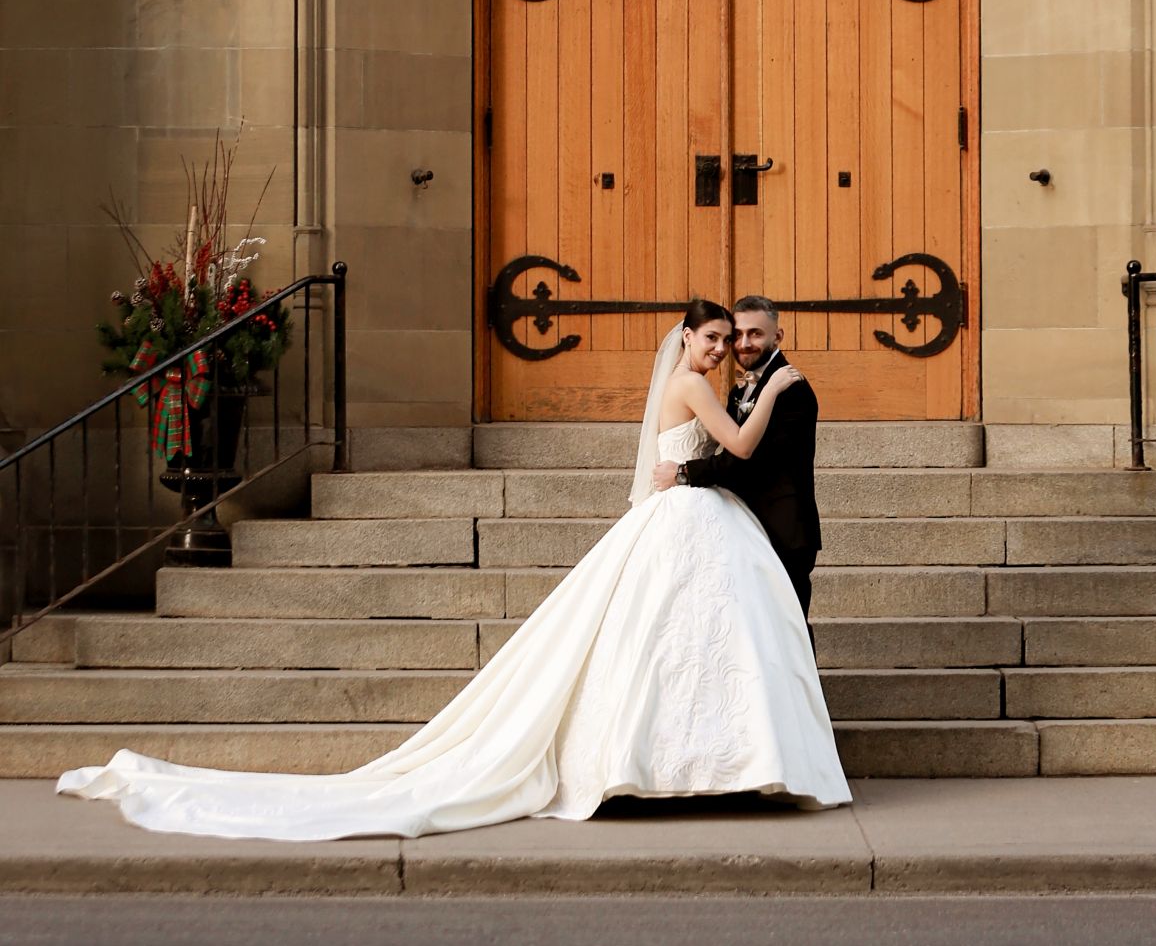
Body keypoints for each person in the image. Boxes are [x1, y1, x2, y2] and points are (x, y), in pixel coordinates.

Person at [56, 299, 851, 840]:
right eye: (711, 338)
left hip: (691, 521)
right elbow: (738, 449)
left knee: (684, 648)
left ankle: (698, 766)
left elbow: (697, 457)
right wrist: (779, 384)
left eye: (727, 339)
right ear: (686, 340)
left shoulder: (699, 385)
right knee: (671, 646)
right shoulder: (696, 383)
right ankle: (678, 765)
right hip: (685, 521)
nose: (720, 349)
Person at [652, 295, 820, 621]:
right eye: (735, 336)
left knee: (786, 628)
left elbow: (746, 459)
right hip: (738, 522)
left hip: (783, 527)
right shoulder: (732, 391)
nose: (741, 344)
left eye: (754, 334)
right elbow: (733, 449)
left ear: (777, 336)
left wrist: (684, 472)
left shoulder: (790, 388)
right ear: (688, 337)